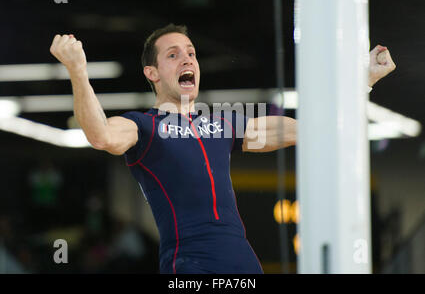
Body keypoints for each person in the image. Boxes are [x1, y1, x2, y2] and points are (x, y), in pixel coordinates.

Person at [49, 24, 396, 273]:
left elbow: (312, 130)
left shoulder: (223, 125)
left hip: (244, 263)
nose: (187, 60)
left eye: (191, 53)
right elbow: (100, 135)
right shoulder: (143, 127)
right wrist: (78, 71)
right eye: (173, 55)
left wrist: (361, 81)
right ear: (152, 73)